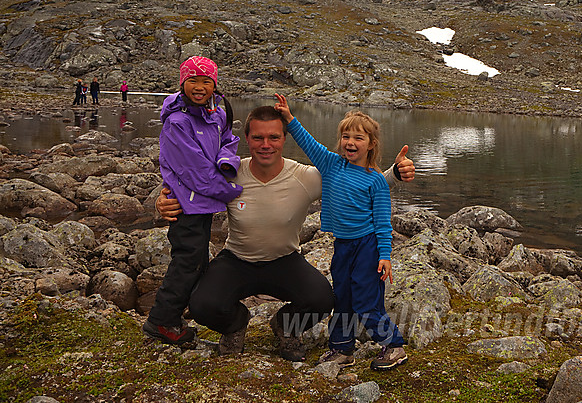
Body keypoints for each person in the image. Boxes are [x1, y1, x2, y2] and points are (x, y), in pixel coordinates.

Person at [155, 105, 414, 360]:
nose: (266, 144)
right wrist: (162, 200)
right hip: (237, 260)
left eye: (274, 137)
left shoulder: (308, 176)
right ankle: (237, 327)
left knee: (325, 299)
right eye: (258, 137)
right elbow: (192, 187)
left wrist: (396, 174)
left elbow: (362, 183)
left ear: (283, 139)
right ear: (247, 139)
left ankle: (288, 328)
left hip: (287, 260)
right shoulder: (229, 174)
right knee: (202, 304)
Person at [275, 94, 407, 371]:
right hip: (343, 246)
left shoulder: (376, 182)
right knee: (343, 298)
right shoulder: (331, 164)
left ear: (371, 145)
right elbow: (307, 142)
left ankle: (393, 346)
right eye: (346, 136)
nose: (350, 142)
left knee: (366, 301)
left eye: (359, 138)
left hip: (368, 247)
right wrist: (289, 118)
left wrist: (385, 256)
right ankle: (342, 349)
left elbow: (383, 223)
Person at [143, 56, 242, 345]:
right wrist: (233, 193)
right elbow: (196, 172)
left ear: (214, 84)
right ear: (182, 83)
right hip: (186, 205)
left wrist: (226, 160)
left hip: (203, 205)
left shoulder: (218, 114)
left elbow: (229, 140)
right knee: (187, 261)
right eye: (193, 80)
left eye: (206, 81)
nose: (200, 87)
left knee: (196, 261)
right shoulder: (177, 122)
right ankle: (161, 320)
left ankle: (173, 316)